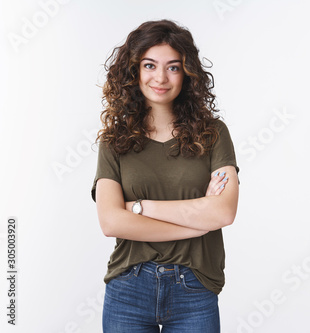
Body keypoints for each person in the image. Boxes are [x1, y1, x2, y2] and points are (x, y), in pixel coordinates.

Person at [90, 19, 239, 332]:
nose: (160, 77)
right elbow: (111, 222)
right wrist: (196, 224)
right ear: (134, 71)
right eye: (149, 65)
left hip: (195, 288)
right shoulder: (113, 140)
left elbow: (223, 212)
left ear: (187, 74)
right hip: (128, 286)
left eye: (173, 67)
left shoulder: (213, 134)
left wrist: (139, 207)